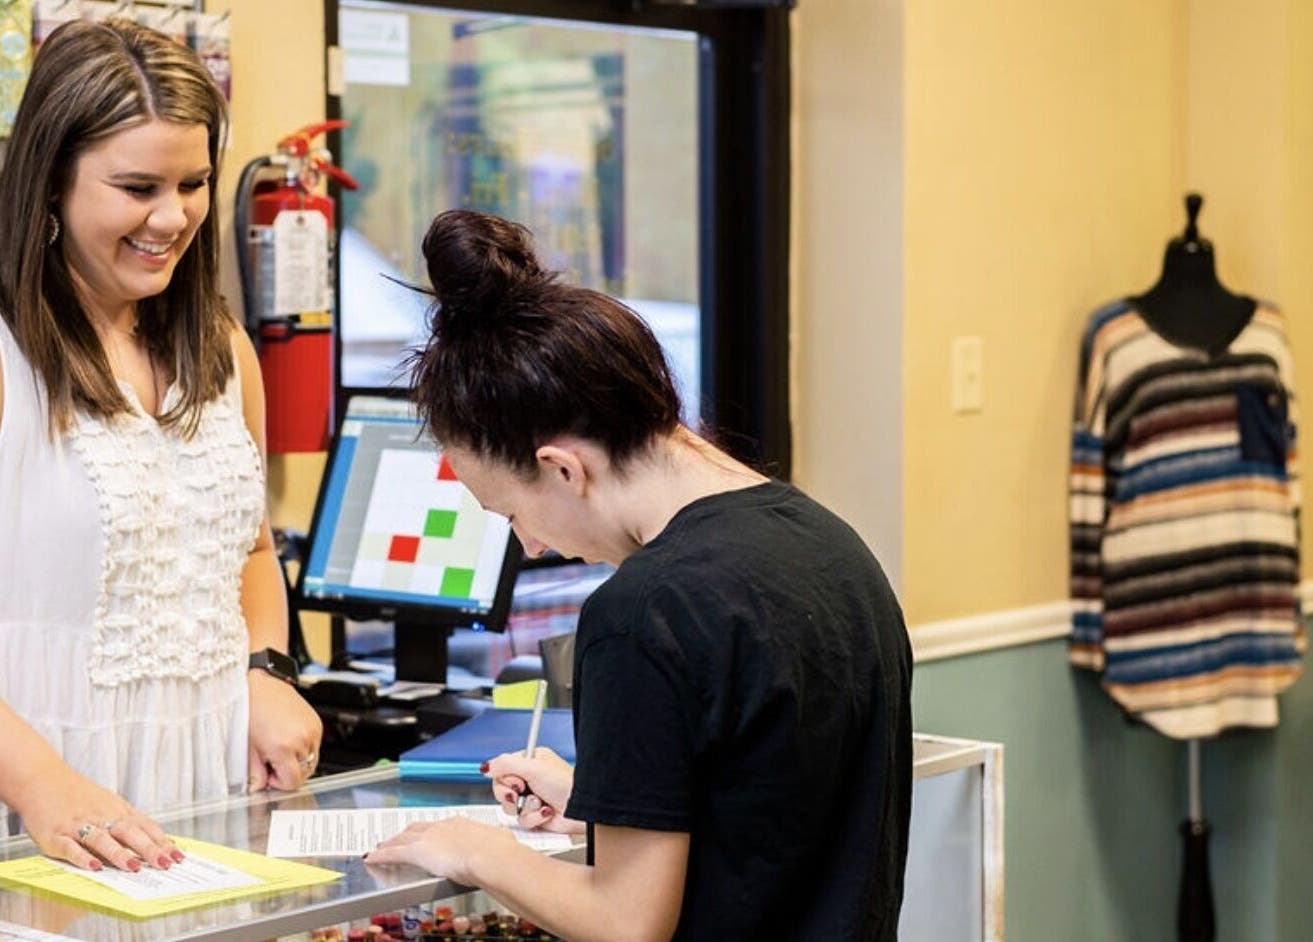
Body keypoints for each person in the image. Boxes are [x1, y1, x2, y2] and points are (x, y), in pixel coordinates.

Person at [365, 210, 913, 941]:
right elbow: (771, 818)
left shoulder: (643, 614)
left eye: (510, 513)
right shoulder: (825, 544)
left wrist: (481, 852)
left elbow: (625, 926)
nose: (530, 546)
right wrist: (610, 799)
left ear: (562, 467)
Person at [0, 19, 322, 872]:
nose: (172, 217)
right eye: (137, 186)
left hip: (207, 790)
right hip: (37, 798)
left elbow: (250, 550)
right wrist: (38, 784)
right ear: (51, 185)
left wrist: (265, 671)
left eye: (193, 183)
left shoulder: (222, 352)